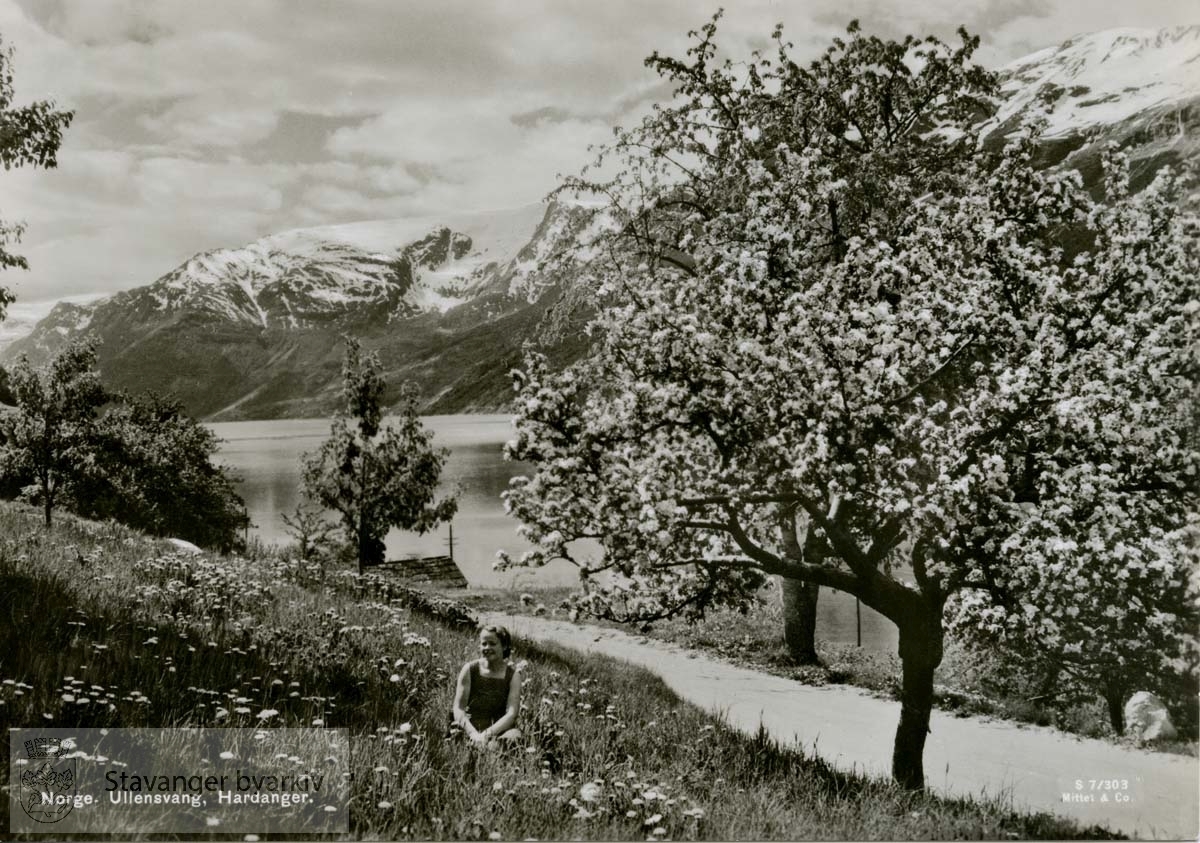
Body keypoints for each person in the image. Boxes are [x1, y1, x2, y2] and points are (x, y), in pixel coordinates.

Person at [452, 625, 523, 746]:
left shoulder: (513, 676)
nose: (487, 648)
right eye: (484, 644)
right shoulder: (470, 669)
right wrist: (473, 734)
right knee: (455, 733)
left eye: (492, 643)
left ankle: (488, 750)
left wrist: (486, 735)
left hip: (498, 730)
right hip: (469, 726)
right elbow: (459, 708)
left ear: (504, 646)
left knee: (513, 738)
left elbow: (512, 714)